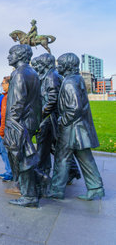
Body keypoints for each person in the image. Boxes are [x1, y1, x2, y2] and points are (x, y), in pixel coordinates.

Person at [49, 53, 104, 201]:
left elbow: (75, 107)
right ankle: (95, 187)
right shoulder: (76, 78)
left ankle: (56, 190)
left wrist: (62, 120)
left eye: (59, 64)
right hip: (79, 128)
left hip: (71, 128)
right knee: (85, 158)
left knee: (62, 158)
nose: (57, 66)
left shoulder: (69, 82)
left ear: (67, 66)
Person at [32, 54, 81, 188]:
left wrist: (40, 116)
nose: (36, 67)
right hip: (49, 118)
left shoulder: (51, 76)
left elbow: (52, 100)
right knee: (54, 147)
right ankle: (72, 171)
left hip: (49, 119)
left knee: (44, 148)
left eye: (38, 64)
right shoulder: (48, 75)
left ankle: (41, 174)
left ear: (45, 64)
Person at [4, 44, 43, 208]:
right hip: (30, 121)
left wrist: (10, 126)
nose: (8, 57)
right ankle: (36, 186)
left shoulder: (19, 74)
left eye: (11, 53)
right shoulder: (32, 72)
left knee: (23, 159)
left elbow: (17, 103)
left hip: (19, 123)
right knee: (26, 156)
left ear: (19, 55)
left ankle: (29, 196)